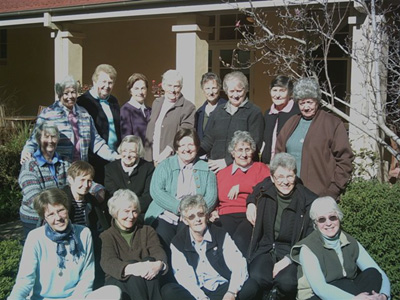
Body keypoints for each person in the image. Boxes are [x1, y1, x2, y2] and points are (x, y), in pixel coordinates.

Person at [8, 188, 121, 300]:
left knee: (113, 292)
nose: (58, 218)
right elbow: (24, 280)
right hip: (42, 298)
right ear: (44, 218)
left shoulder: (84, 233)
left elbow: (87, 276)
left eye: (61, 210)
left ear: (67, 209)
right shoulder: (35, 237)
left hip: (75, 297)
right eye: (51, 214)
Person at [247, 152, 318, 299]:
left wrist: (288, 259)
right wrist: (250, 203)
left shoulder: (306, 200)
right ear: (272, 178)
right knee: (257, 276)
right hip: (267, 247)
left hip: (291, 250)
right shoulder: (266, 190)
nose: (285, 181)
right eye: (280, 177)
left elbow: (312, 237)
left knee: (287, 283)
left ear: (295, 176)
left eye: (289, 176)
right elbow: (255, 191)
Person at [291, 197, 391, 300]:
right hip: (315, 296)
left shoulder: (349, 241)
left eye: (332, 217)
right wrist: (354, 299)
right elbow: (320, 288)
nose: (328, 223)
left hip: (347, 290)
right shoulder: (308, 248)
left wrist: (383, 295)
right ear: (315, 223)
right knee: (344, 285)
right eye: (322, 219)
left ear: (339, 217)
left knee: (373, 274)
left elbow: (379, 272)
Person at [161, 195, 259, 300]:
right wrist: (201, 297)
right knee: (168, 290)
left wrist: (231, 292)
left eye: (200, 214)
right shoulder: (178, 243)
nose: (197, 219)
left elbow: (238, 264)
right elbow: (184, 278)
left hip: (223, 288)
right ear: (185, 221)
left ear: (206, 215)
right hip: (197, 292)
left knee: (251, 286)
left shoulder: (220, 234)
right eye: (191, 217)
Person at [276, 77, 354, 200]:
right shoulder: (291, 123)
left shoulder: (332, 124)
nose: (306, 107)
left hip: (321, 195)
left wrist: (333, 190)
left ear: (317, 101)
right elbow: (278, 156)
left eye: (310, 102)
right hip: (290, 194)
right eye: (302, 103)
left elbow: (345, 160)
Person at [145, 128, 217, 249]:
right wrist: (178, 208)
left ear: (197, 147)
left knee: (186, 241)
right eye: (182, 145)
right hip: (166, 212)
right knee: (161, 239)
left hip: (194, 216)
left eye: (191, 145)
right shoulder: (165, 165)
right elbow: (156, 191)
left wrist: (192, 212)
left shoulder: (207, 168)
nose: (187, 149)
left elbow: (211, 197)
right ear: (176, 148)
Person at [21, 75, 118, 164]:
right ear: (59, 95)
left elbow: (95, 141)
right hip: (59, 168)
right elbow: (35, 139)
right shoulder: (49, 114)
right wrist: (27, 152)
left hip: (80, 169)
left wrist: (114, 156)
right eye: (66, 93)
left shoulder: (84, 114)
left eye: (73, 92)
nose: (70, 96)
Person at [100, 189, 167, 300]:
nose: (131, 216)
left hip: (147, 282)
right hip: (119, 281)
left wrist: (159, 264)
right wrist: (133, 268)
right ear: (116, 212)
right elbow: (108, 262)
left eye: (134, 211)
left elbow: (158, 251)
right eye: (126, 211)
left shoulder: (147, 231)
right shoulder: (107, 236)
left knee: (150, 262)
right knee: (134, 273)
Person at [211, 130, 270, 255]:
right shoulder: (222, 173)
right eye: (240, 150)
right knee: (220, 239)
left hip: (248, 215)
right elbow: (216, 197)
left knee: (239, 239)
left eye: (247, 149)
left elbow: (269, 188)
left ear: (253, 151)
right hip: (225, 215)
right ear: (233, 153)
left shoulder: (261, 168)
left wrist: (243, 186)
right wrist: (214, 210)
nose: (244, 154)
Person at [199, 71, 264, 173]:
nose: (235, 95)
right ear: (226, 91)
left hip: (242, 170)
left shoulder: (254, 112)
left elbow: (254, 144)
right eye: (231, 91)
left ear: (246, 89)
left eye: (239, 91)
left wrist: (227, 161)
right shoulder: (218, 111)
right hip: (216, 168)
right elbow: (208, 140)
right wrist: (193, 152)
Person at [18, 122, 70, 239]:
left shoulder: (64, 161)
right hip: (35, 219)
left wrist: (96, 188)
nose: (50, 141)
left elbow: (77, 178)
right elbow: (33, 197)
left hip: (57, 216)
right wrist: (53, 211)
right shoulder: (30, 165)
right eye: (46, 137)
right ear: (38, 139)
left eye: (53, 137)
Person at [77, 64, 121, 184]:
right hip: (94, 160)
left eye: (110, 82)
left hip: (114, 158)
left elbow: (118, 129)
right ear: (94, 80)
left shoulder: (113, 101)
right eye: (103, 81)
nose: (106, 86)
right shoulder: (83, 102)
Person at [144, 69, 196, 164]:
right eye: (169, 85)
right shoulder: (157, 103)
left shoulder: (188, 107)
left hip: (170, 160)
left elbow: (184, 133)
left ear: (181, 87)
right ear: (163, 86)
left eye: (176, 86)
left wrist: (168, 150)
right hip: (150, 159)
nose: (172, 90)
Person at [105, 135, 154, 215]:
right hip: (118, 213)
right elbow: (112, 195)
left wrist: (133, 211)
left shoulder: (148, 168)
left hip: (140, 213)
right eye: (124, 151)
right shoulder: (110, 169)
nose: (127, 155)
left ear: (138, 153)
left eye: (132, 151)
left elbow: (147, 197)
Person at [261, 75, 300, 164]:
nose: (277, 95)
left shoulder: (297, 113)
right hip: (268, 165)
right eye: (274, 90)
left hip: (289, 165)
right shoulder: (268, 114)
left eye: (282, 91)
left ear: (290, 92)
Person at [195, 72, 227, 141]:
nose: (211, 92)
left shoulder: (227, 108)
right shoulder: (199, 112)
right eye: (207, 88)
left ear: (219, 88)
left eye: (214, 88)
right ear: (203, 90)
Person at [120, 73, 152, 143]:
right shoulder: (125, 111)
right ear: (130, 91)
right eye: (136, 89)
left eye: (143, 88)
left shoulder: (150, 110)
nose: (140, 92)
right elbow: (127, 140)